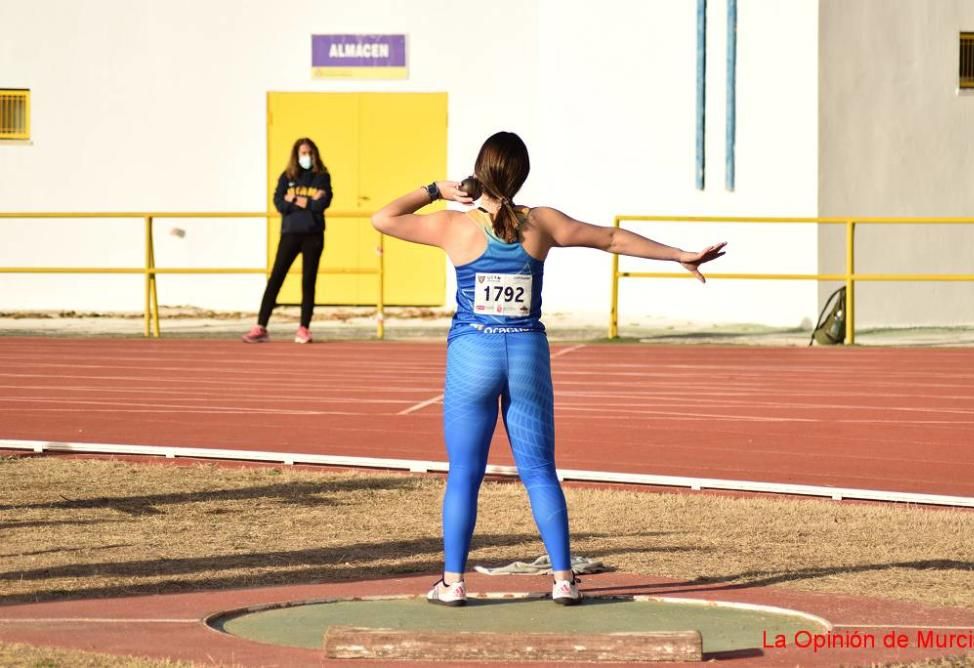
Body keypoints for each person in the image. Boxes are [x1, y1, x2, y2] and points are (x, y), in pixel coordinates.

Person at [371, 131, 726, 606]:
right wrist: (679, 254)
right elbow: (612, 237)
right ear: (522, 175)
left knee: (464, 474)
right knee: (539, 471)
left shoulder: (453, 226)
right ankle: (563, 579)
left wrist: (436, 188)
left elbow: (383, 218)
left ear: (479, 172)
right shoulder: (542, 222)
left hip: (472, 353)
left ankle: (452, 583)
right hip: (525, 356)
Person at [242, 138, 332, 344]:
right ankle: (260, 326)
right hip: (290, 233)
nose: (306, 157)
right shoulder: (287, 176)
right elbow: (279, 203)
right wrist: (306, 201)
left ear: (314, 154)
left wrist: (295, 200)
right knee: (276, 278)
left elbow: (321, 205)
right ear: (296, 155)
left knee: (308, 281)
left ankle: (303, 328)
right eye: (302, 153)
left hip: (313, 235)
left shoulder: (322, 177)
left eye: (309, 153)